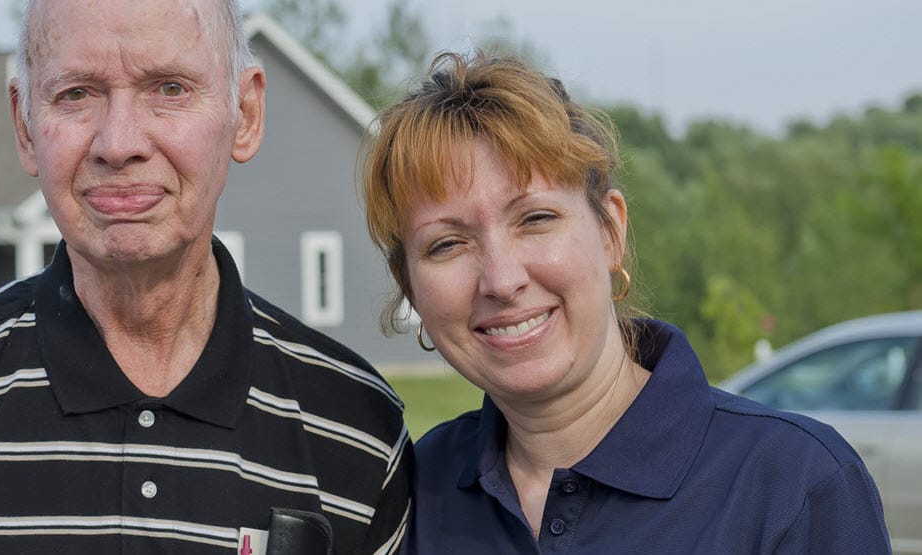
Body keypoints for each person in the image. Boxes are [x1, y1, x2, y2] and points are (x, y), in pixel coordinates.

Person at [0, 0, 412, 552]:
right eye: (77, 94)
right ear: (25, 127)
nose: (119, 143)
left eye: (170, 88)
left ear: (246, 114)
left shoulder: (356, 429)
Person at [360, 51, 890, 552]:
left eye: (536, 219)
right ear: (408, 283)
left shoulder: (793, 486)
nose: (501, 280)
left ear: (610, 230)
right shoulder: (411, 492)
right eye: (447, 244)